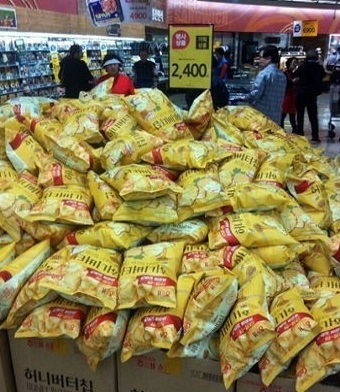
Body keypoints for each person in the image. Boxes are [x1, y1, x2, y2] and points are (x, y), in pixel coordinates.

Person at [245, 45, 286, 125]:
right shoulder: (282, 76)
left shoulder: (264, 74)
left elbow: (255, 94)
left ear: (269, 58)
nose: (259, 60)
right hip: (276, 118)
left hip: (261, 118)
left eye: (261, 57)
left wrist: (245, 98)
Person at [293, 49, 326, 143]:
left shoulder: (302, 67)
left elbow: (295, 75)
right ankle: (315, 136)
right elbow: (323, 75)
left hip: (301, 94)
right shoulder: (319, 68)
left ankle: (300, 133)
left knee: (300, 115)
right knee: (313, 116)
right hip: (312, 95)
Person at [280, 57, 298, 133]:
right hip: (286, 96)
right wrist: (293, 82)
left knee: (292, 114)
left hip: (292, 97)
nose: (295, 64)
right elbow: (285, 85)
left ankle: (294, 129)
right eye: (293, 62)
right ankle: (281, 129)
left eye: (296, 63)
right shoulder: (285, 73)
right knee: (283, 114)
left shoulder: (293, 73)